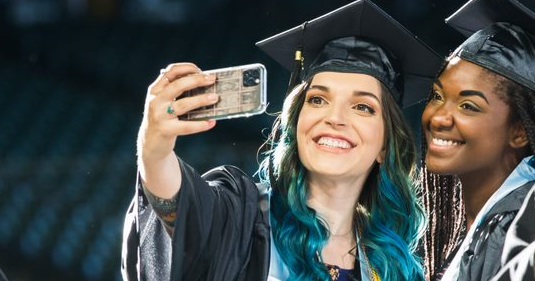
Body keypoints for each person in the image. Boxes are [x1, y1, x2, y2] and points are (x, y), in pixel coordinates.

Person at [121, 0, 442, 280]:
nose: (335, 117)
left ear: (385, 147)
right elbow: (181, 210)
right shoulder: (243, 220)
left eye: (362, 107)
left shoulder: (389, 267)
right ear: (296, 121)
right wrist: (155, 149)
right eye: (317, 100)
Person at [419, 0, 535, 280]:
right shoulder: (488, 223)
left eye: (468, 106)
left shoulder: (521, 229)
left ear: (519, 131)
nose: (439, 118)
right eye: (437, 96)